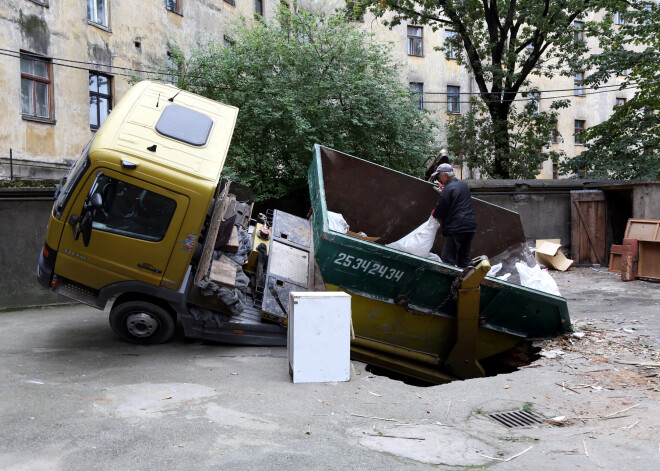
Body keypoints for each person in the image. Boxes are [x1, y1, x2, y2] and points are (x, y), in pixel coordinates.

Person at [431, 163, 477, 268]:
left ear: (445, 175)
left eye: (439, 175)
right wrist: (444, 191)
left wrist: (434, 212)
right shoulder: (463, 185)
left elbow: (440, 210)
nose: (438, 178)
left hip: (457, 226)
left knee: (447, 258)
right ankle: (465, 283)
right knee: (464, 258)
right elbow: (457, 198)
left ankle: (447, 283)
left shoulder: (449, 188)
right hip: (470, 226)